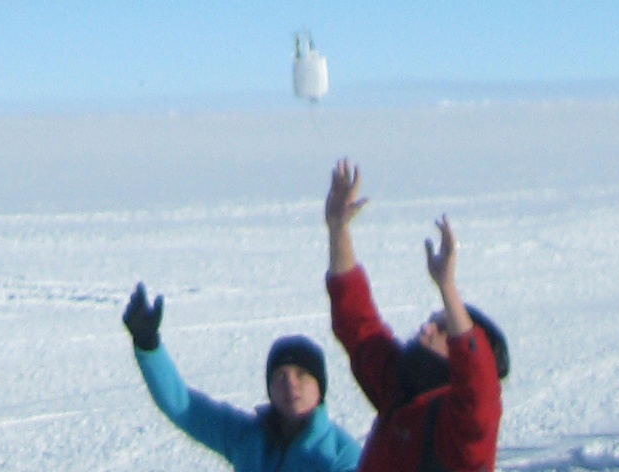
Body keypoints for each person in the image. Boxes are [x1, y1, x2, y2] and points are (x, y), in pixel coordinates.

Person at [122, 213, 364, 472]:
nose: (290, 384)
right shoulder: (248, 437)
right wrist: (148, 345)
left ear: (321, 389)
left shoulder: (342, 456)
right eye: (280, 376)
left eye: (302, 375)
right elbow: (183, 407)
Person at [320, 162, 506, 472]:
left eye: (443, 328)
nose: (428, 327)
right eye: (434, 320)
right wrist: (338, 230)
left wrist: (447, 286)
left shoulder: (461, 426)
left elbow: (479, 388)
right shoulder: (400, 387)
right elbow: (357, 325)